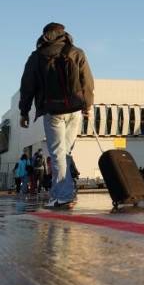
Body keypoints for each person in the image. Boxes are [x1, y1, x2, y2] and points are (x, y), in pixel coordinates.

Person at [19, 23, 94, 209]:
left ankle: (63, 195)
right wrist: (88, 106)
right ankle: (63, 192)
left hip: (53, 112)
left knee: (58, 153)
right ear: (63, 33)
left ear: (45, 36)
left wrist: (24, 111)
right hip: (75, 110)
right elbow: (88, 82)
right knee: (65, 153)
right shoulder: (76, 52)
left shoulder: (36, 57)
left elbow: (27, 87)